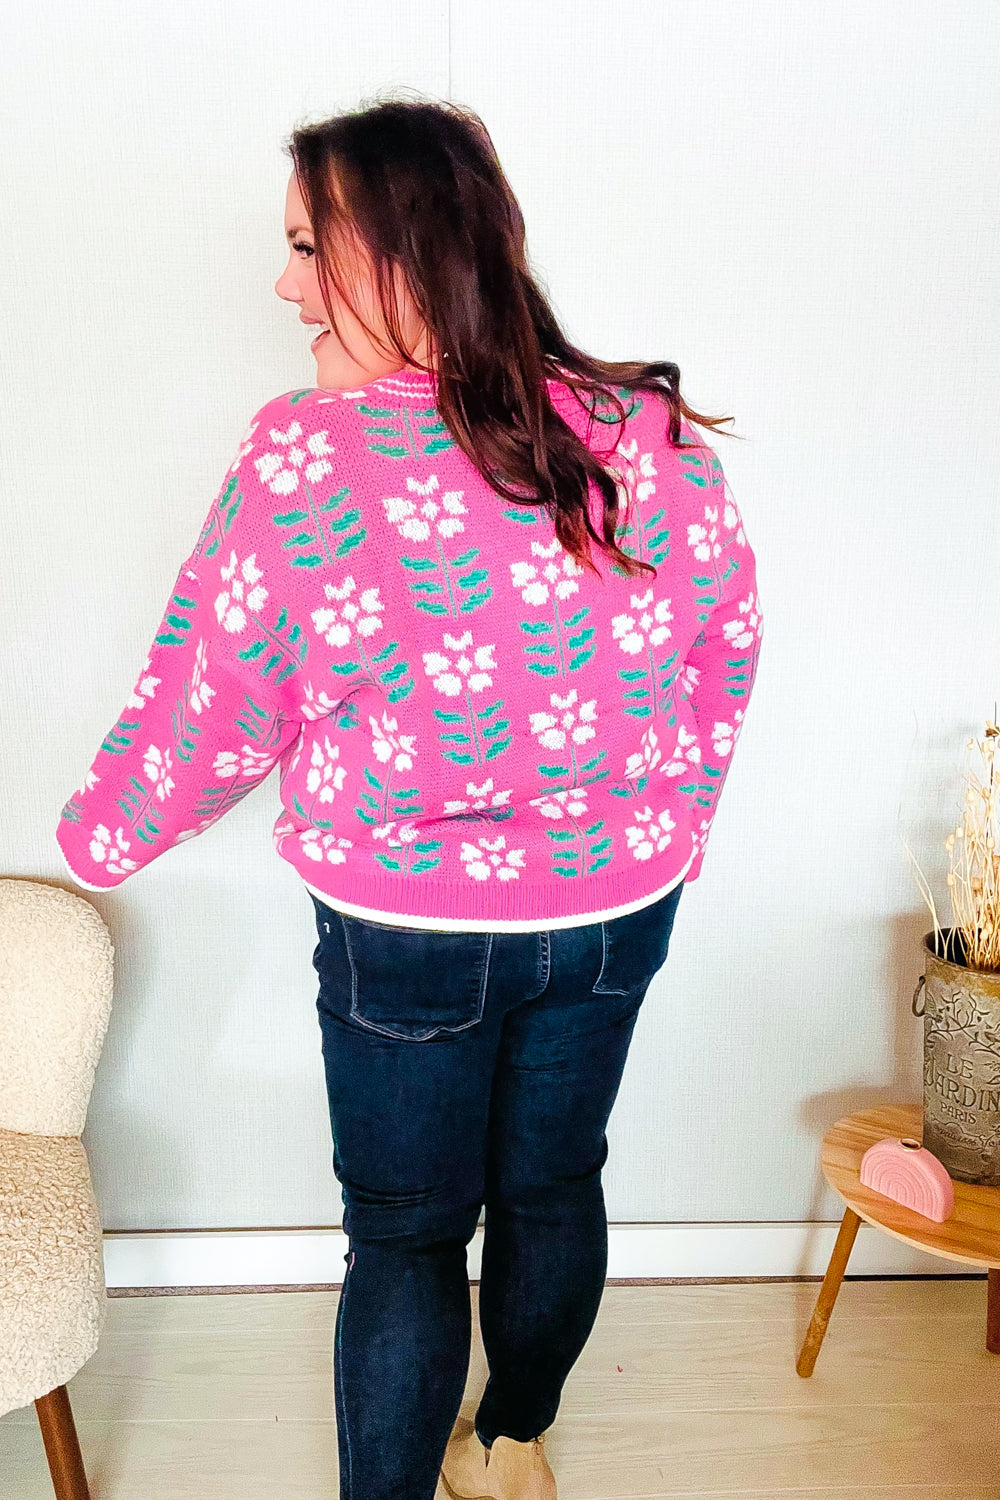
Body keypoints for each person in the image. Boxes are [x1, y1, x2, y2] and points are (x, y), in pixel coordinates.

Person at [56, 95, 763, 1500]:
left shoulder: (308, 455)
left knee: (404, 1236)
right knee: (554, 1183)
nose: (285, 287)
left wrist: (100, 836)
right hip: (616, 912)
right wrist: (676, 828)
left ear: (401, 250)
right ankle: (510, 1445)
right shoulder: (649, 432)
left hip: (407, 933)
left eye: (306, 246)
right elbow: (720, 650)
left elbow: (219, 697)